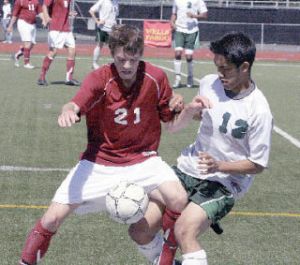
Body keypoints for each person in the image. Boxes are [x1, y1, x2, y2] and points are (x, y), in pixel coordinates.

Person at [18, 24, 188, 265]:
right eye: (121, 59)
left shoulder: (156, 77)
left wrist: (180, 107)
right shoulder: (100, 78)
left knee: (178, 198)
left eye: (133, 59)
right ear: (111, 54)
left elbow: (169, 120)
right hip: (99, 162)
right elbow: (74, 104)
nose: (127, 66)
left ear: (141, 54)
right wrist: (68, 111)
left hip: (144, 159)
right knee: (51, 219)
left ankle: (166, 261)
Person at [131, 32, 273, 265]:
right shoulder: (209, 83)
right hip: (189, 168)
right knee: (140, 230)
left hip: (225, 182)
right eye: (217, 66)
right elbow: (201, 115)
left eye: (225, 68)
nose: (219, 74)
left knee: (184, 231)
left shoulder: (259, 110)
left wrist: (220, 165)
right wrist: (184, 107)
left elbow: (257, 164)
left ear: (244, 67)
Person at [37, 0, 80, 86]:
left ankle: (69, 78)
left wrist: (70, 13)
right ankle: (41, 77)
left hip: (66, 28)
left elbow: (63, 10)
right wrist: (46, 18)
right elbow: (45, 6)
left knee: (72, 50)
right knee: (53, 51)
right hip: (55, 28)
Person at [170, 0, 208, 89]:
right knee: (178, 53)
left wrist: (194, 16)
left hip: (192, 31)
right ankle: (177, 78)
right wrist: (172, 22)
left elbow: (205, 15)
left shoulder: (198, 1)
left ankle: (190, 77)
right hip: (179, 29)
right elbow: (174, 14)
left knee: (189, 56)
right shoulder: (177, 1)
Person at [7, 0, 44, 68]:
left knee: (31, 44)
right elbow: (15, 14)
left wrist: (44, 19)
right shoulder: (19, 1)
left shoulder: (36, 1)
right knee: (27, 42)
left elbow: (40, 12)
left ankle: (17, 55)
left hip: (33, 24)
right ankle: (26, 63)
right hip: (23, 22)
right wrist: (10, 25)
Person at [89, 0, 118, 70]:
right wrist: (97, 21)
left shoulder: (116, 2)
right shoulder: (102, 1)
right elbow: (91, 11)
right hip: (102, 29)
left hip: (112, 29)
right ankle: (94, 63)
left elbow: (115, 15)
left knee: (114, 46)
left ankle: (116, 63)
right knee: (99, 45)